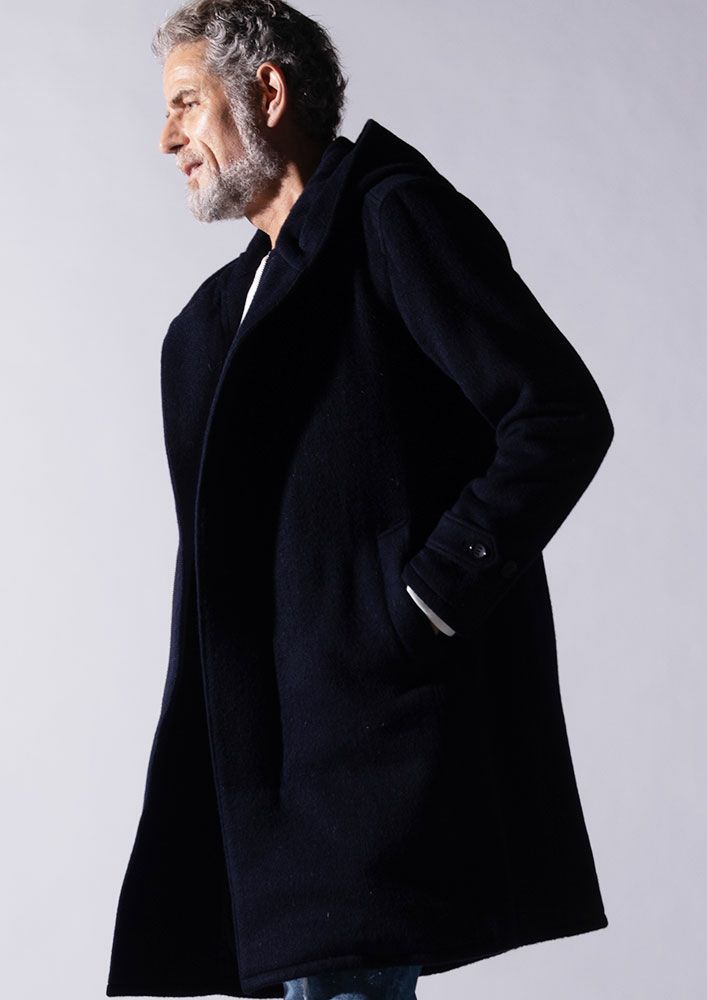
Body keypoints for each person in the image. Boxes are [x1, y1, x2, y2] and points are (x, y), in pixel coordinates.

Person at [106, 3, 614, 999]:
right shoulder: (213, 321)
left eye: (185, 104)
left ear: (266, 93)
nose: (166, 138)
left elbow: (555, 415)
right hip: (265, 786)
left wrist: (420, 604)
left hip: (367, 761)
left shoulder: (391, 220)